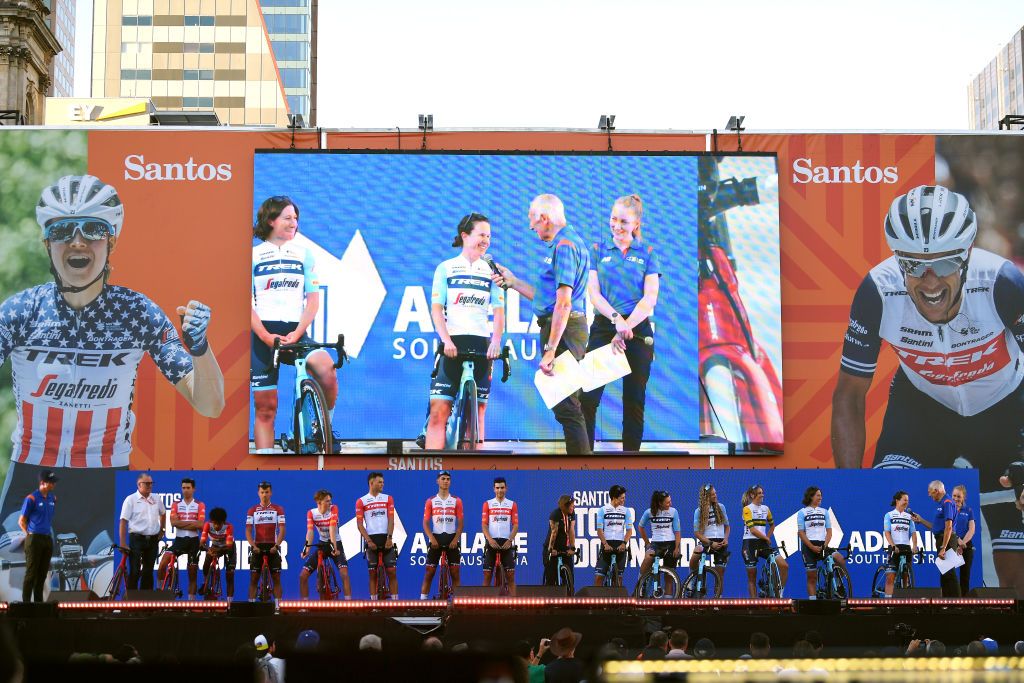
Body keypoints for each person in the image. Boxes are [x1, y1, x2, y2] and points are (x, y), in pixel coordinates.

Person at [0, 175, 224, 596]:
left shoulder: (136, 312)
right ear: (47, 243)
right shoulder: (20, 312)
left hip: (104, 493)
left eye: (93, 229)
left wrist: (201, 350)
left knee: (118, 594)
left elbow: (210, 404)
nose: (78, 241)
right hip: (30, 486)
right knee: (23, 594)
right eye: (62, 230)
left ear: (112, 241)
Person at [832, 184, 1024, 590]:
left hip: (1006, 412)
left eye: (944, 264)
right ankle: (908, 642)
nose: (930, 279)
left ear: (966, 257)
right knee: (895, 530)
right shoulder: (878, 291)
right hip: (924, 410)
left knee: (1013, 570)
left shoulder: (1001, 282)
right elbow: (849, 395)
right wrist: (848, 489)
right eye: (914, 266)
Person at [490, 194, 592, 454]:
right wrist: (513, 282)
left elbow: (564, 303)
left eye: (532, 220)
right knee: (565, 406)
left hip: (565, 331)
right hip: (564, 328)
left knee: (567, 406)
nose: (530, 227)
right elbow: (548, 297)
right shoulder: (562, 244)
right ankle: (581, 466)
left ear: (545, 218)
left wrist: (550, 349)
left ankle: (583, 470)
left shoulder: (565, 246)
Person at [251, 195, 337, 453]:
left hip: (296, 332)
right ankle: (264, 460)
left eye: (296, 219)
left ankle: (322, 428)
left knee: (327, 370)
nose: (294, 223)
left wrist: (298, 332)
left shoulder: (304, 254)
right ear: (270, 220)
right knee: (266, 407)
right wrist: (266, 336)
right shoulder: (253, 255)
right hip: (262, 336)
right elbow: (247, 304)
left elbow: (312, 301)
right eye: (287, 218)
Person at [580, 194, 661, 452]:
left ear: (636, 223)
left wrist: (627, 326)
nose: (616, 225)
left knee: (634, 400)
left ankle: (631, 459)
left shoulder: (648, 254)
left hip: (638, 332)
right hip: (606, 328)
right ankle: (584, 457)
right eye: (613, 219)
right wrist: (617, 321)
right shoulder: (597, 250)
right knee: (588, 399)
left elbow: (650, 298)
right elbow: (593, 293)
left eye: (623, 221)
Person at [425, 213, 505, 450]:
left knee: (478, 415)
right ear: (464, 236)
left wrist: (496, 341)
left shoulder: (492, 270)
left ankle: (476, 475)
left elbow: (499, 312)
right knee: (439, 412)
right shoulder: (446, 268)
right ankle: (431, 472)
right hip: (452, 345)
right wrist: (446, 340)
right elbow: (437, 309)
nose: (486, 240)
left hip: (481, 346)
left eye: (489, 236)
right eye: (481, 234)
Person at [299, 489, 351, 600]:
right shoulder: (311, 513)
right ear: (319, 502)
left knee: (344, 574)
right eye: (327, 501)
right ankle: (304, 606)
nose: (330, 503)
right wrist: (306, 549)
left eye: (330, 501)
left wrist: (335, 548)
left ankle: (348, 603)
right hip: (322, 544)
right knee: (303, 576)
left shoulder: (334, 508)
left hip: (335, 543)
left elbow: (332, 528)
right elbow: (310, 531)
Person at [158, 477, 205, 600]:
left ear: (193, 489)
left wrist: (182, 522)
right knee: (163, 563)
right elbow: (173, 523)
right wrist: (192, 523)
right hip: (179, 541)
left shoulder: (200, 505)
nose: (185, 490)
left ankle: (191, 602)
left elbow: (200, 525)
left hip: (194, 541)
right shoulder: (176, 504)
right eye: (183, 488)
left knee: (192, 573)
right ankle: (159, 592)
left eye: (188, 488)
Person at [911, 480, 961, 596]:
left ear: (936, 491)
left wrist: (943, 547)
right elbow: (936, 527)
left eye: (930, 492)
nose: (929, 495)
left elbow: (948, 527)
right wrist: (921, 520)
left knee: (949, 573)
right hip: (942, 539)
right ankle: (947, 603)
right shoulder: (943, 503)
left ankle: (957, 604)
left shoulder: (947, 502)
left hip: (946, 540)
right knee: (945, 574)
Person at [118, 472, 165, 591]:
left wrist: (162, 530)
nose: (150, 485)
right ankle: (131, 603)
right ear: (139, 484)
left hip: (153, 540)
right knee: (134, 570)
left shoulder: (156, 498)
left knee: (148, 571)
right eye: (147, 483)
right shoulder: (131, 499)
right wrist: (123, 543)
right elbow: (123, 522)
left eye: (151, 483)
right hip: (137, 539)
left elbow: (163, 513)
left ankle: (146, 604)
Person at [420, 471, 463, 598]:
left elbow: (460, 524)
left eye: (448, 479)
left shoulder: (457, 500)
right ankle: (422, 601)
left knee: (455, 573)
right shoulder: (431, 501)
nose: (446, 481)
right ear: (437, 481)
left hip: (451, 537)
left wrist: (456, 539)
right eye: (443, 478)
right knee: (429, 572)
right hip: (436, 538)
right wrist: (431, 538)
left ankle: (458, 601)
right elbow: (425, 523)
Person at [797, 486, 845, 598]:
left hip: (823, 545)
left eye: (821, 495)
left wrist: (825, 545)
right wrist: (812, 547)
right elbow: (801, 533)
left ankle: (838, 584)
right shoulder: (802, 512)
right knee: (811, 577)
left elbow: (829, 531)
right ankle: (813, 601)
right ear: (811, 496)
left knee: (840, 559)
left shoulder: (824, 512)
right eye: (818, 495)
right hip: (809, 547)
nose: (821, 497)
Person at [356, 472, 398, 599]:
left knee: (391, 572)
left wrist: (389, 538)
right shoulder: (361, 501)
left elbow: (391, 520)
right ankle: (374, 603)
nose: (382, 484)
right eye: (380, 482)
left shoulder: (388, 498)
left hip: (386, 538)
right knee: (372, 573)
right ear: (371, 483)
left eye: (383, 482)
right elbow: (359, 524)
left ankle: (395, 602)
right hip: (371, 539)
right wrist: (368, 541)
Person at [740, 485, 787, 598]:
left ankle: (779, 592)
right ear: (752, 495)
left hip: (763, 542)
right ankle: (753, 603)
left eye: (762, 492)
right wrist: (766, 538)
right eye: (759, 493)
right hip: (749, 544)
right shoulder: (747, 509)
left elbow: (772, 525)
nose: (762, 494)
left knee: (784, 565)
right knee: (752, 578)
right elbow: (752, 530)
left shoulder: (766, 508)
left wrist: (768, 537)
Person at [17, 470, 57, 602]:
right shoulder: (32, 498)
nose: (53, 484)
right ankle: (26, 604)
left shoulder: (52, 498)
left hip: (46, 539)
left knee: (42, 575)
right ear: (42, 483)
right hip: (34, 538)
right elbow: (21, 520)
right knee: (31, 573)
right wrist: (29, 534)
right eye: (51, 482)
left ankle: (38, 605)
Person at [246, 481, 286, 601]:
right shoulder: (252, 510)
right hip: (257, 546)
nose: (264, 495)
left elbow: (282, 529)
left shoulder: (278, 509)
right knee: (254, 578)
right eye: (262, 492)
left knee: (276, 578)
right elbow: (248, 531)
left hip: (273, 546)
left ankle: (278, 606)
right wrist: (253, 546)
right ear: (258, 493)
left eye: (267, 492)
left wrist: (277, 545)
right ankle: (251, 606)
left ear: (271, 493)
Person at [482, 477, 518, 595]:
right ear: (494, 489)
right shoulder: (488, 504)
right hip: (492, 543)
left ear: (506, 488)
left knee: (511, 576)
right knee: (487, 576)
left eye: (502, 488)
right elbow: (484, 525)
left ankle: (515, 605)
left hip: (506, 543)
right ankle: (483, 604)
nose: (500, 490)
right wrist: (490, 539)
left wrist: (510, 540)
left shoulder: (512, 504)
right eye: (497, 488)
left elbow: (516, 525)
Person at [594, 484, 634, 586]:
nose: (624, 500)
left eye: (624, 498)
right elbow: (599, 530)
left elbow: (629, 531)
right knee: (599, 578)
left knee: (619, 579)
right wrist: (605, 544)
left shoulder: (626, 511)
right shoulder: (603, 510)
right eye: (622, 498)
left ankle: (618, 601)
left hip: (620, 544)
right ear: (614, 498)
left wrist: (624, 543)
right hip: (606, 544)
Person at [690, 484, 729, 588]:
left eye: (715, 493)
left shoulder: (721, 507)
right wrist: (711, 543)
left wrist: (726, 538)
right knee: (694, 558)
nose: (715, 496)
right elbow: (697, 533)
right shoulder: (698, 511)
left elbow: (727, 527)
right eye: (712, 495)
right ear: (706, 497)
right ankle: (694, 578)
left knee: (720, 574)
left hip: (720, 542)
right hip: (706, 542)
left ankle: (718, 599)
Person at [882, 490, 918, 597]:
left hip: (906, 547)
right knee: (891, 577)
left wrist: (914, 546)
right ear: (897, 500)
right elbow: (887, 532)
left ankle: (904, 601)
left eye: (908, 500)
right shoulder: (889, 515)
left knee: (906, 576)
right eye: (905, 500)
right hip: (895, 546)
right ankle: (888, 603)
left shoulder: (909, 516)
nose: (907, 502)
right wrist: (893, 545)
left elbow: (914, 533)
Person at [638, 490, 681, 576]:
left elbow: (677, 531)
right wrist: (647, 542)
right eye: (668, 502)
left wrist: (677, 547)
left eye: (670, 501)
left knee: (669, 577)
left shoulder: (673, 512)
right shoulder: (649, 512)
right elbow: (640, 527)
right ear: (660, 503)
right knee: (648, 558)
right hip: (655, 544)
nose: (671, 504)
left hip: (670, 544)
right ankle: (640, 583)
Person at [199, 506, 235, 601]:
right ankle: (205, 582)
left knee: (230, 575)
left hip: (227, 547)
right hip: (215, 546)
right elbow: (202, 542)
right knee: (206, 563)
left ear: (223, 522)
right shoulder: (207, 525)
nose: (216, 526)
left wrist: (217, 551)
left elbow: (229, 546)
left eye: (218, 524)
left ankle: (229, 602)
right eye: (214, 523)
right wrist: (208, 549)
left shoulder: (228, 526)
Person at [544, 495, 577, 587]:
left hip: (564, 547)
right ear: (565, 506)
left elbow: (571, 530)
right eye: (571, 505)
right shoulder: (555, 514)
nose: (573, 507)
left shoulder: (571, 513)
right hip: (552, 546)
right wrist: (550, 550)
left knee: (570, 580)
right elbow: (554, 533)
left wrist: (572, 547)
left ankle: (568, 596)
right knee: (551, 579)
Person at [952, 484, 976, 596]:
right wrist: (957, 541)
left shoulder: (968, 510)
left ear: (964, 497)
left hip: (966, 546)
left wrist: (962, 543)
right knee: (948, 576)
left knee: (965, 577)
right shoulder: (947, 509)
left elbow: (971, 529)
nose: (956, 499)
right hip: (951, 544)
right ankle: (948, 603)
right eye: (954, 496)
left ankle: (964, 604)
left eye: (959, 496)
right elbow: (946, 528)